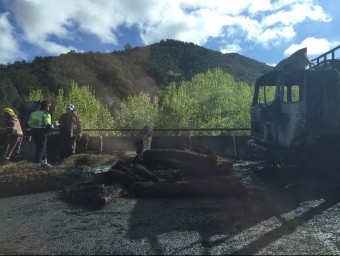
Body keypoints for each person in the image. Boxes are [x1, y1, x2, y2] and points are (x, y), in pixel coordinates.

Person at [27, 100, 53, 167]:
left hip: (33, 132)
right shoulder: (46, 114)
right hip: (41, 132)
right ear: (46, 107)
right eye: (49, 107)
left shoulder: (33, 113)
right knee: (41, 148)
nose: (49, 108)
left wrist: (28, 134)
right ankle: (36, 163)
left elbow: (28, 124)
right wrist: (49, 130)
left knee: (41, 147)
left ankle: (44, 162)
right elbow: (48, 125)